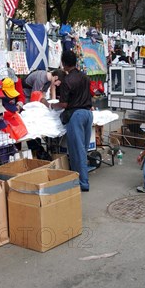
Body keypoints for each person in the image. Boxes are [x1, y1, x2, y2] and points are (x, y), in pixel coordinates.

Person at [51, 50, 93, 191]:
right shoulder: (85, 77)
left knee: (77, 151)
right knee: (83, 149)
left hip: (76, 116)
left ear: (63, 63)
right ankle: (81, 179)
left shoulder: (67, 81)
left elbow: (64, 104)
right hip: (88, 114)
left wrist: (51, 105)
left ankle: (82, 183)